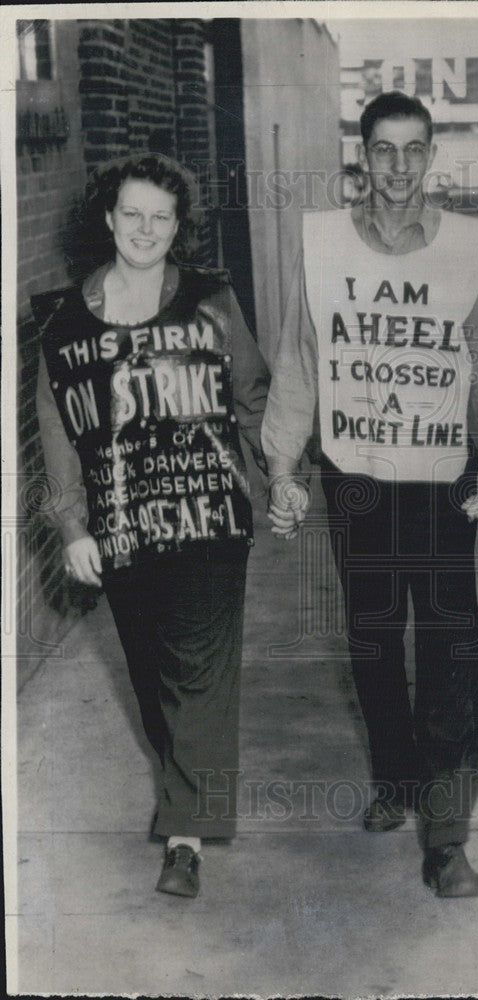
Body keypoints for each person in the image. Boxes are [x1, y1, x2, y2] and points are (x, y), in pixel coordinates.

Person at [263, 91, 478, 897]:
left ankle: (446, 840)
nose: (400, 167)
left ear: (432, 154)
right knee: (373, 638)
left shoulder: (467, 250)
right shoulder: (324, 243)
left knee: (448, 650)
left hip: (441, 481)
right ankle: (395, 777)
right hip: (357, 479)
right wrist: (282, 467)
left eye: (414, 150)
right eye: (384, 149)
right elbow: (304, 359)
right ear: (362, 156)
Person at [33, 153, 270, 898]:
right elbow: (57, 429)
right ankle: (184, 793)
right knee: (151, 671)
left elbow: (252, 395)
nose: (144, 229)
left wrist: (275, 480)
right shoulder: (63, 322)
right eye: (131, 214)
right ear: (108, 219)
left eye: (159, 217)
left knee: (198, 672)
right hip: (118, 524)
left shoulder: (211, 299)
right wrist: (72, 526)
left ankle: (185, 838)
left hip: (207, 514)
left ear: (178, 228)